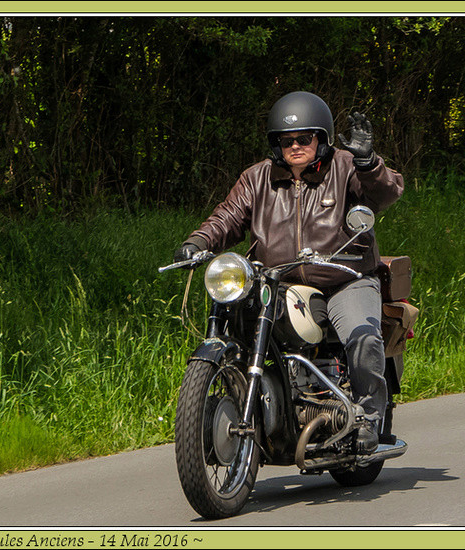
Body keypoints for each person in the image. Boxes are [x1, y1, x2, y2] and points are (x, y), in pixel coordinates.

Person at [173, 91, 404, 453]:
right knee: (244, 322)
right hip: (279, 281)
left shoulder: (345, 167)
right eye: (286, 140)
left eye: (304, 138)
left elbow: (386, 194)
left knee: (363, 335)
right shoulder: (257, 178)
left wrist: (367, 161)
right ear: (276, 144)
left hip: (344, 279)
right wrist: (198, 241)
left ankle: (368, 419)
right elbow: (228, 217)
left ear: (322, 139)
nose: (295, 146)